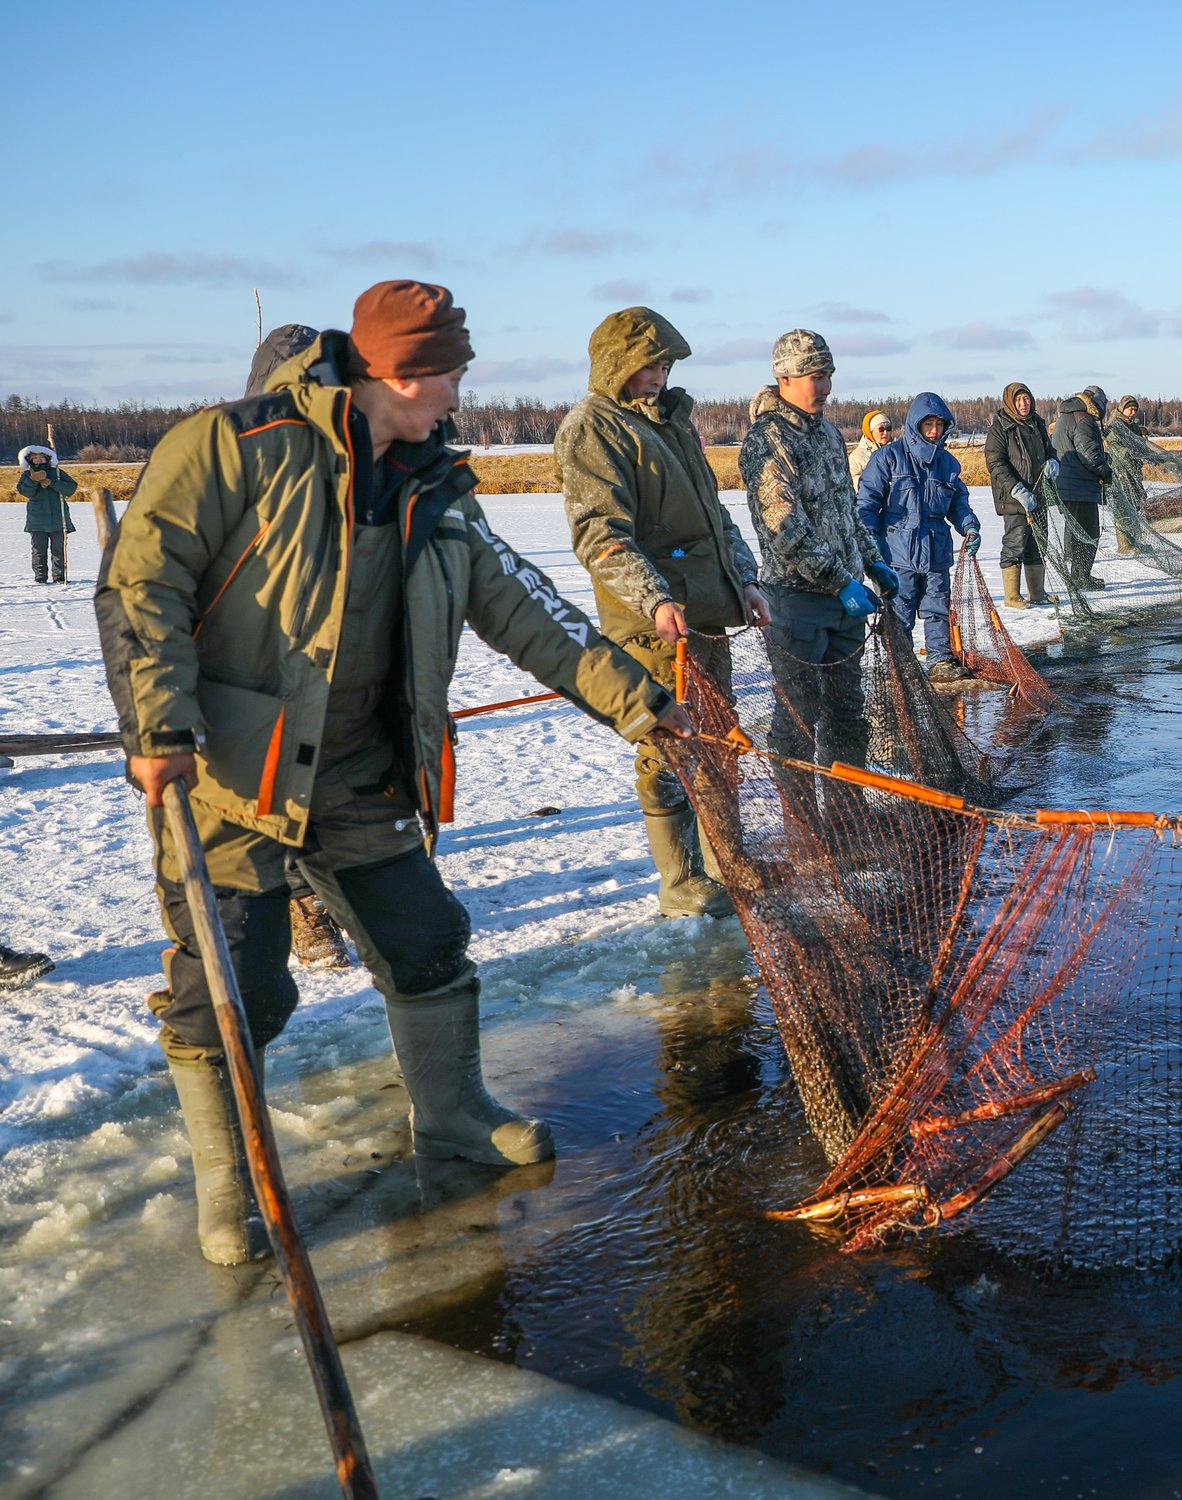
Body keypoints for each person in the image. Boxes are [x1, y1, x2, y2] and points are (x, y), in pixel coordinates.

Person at [103, 280, 690, 1265]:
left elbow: (528, 611)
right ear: (403, 373)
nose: (459, 394)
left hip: (360, 769)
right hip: (232, 773)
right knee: (235, 986)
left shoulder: (435, 488)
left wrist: (643, 702)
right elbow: (141, 582)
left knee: (426, 942)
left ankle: (453, 1116)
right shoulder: (235, 447)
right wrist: (159, 723)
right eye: (451, 374)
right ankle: (229, 1183)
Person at [559, 306, 771, 917]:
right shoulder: (593, 427)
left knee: (717, 738)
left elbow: (715, 517)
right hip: (652, 624)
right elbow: (599, 532)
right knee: (668, 746)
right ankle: (681, 880)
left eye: (664, 366)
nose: (658, 376)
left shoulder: (671, 424)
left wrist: (746, 579)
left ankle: (728, 861)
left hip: (706, 611)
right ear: (615, 364)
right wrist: (653, 597)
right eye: (648, 365)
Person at [740, 329, 898, 814]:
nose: (824, 386)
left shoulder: (828, 434)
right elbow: (784, 529)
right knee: (798, 720)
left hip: (845, 603)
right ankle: (804, 825)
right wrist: (839, 580)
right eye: (815, 376)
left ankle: (847, 814)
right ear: (785, 378)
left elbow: (846, 510)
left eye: (828, 375)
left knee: (849, 713)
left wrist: (872, 559)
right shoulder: (767, 440)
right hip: (796, 602)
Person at [238, 323, 356, 969]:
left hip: (338, 659)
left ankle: (341, 894)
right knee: (279, 794)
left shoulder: (350, 459)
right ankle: (303, 907)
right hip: (261, 663)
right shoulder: (232, 464)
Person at [857, 391, 978, 682]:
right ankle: (901, 662)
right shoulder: (889, 457)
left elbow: (958, 504)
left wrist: (970, 527)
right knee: (900, 610)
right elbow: (867, 502)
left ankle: (940, 659)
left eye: (939, 425)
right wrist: (869, 538)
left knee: (937, 607)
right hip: (898, 550)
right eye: (928, 424)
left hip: (937, 548)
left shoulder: (948, 464)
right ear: (916, 425)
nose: (934, 431)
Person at [984, 382, 1056, 609]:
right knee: (1015, 543)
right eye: (1018, 400)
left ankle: (1037, 593)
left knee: (1038, 544)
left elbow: (1050, 449)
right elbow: (995, 463)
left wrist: (1053, 461)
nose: (1023, 404)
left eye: (1026, 399)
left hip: (1038, 495)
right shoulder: (1000, 428)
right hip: (1014, 499)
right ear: (1010, 402)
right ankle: (1012, 596)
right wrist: (1016, 489)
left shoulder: (1037, 423)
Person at [1050, 386, 1112, 590]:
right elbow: (1090, 456)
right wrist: (1106, 470)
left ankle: (1079, 576)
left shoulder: (1066, 416)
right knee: (1088, 534)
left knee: (1077, 533)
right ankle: (1081, 578)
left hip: (1065, 484)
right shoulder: (1084, 420)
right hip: (1080, 486)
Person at [16, 445, 77, 583]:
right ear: (30, 460)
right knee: (38, 551)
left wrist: (52, 482)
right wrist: (33, 480)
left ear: (47, 458)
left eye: (41, 457)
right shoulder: (27, 475)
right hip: (37, 520)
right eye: (35, 458)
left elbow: (71, 489)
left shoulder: (58, 473)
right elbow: (26, 492)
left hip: (58, 519)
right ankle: (40, 578)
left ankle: (59, 577)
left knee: (58, 550)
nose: (38, 460)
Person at [1105, 394, 1149, 554]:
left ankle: (1134, 542)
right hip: (1120, 472)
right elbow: (1115, 448)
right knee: (1122, 508)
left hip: (1133, 472)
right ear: (1123, 408)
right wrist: (1133, 452)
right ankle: (1124, 545)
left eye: (1135, 410)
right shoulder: (1116, 425)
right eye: (1130, 409)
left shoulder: (1133, 426)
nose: (1133, 413)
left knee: (1133, 506)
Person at [847, 410, 893, 490]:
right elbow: (852, 483)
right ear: (870, 431)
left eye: (888, 428)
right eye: (881, 429)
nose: (885, 433)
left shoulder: (898, 452)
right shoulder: (856, 457)